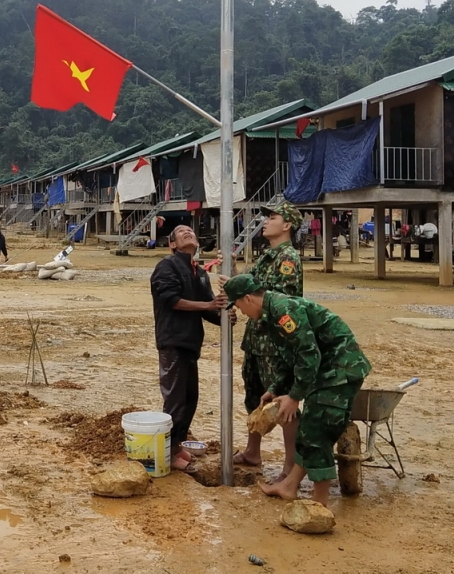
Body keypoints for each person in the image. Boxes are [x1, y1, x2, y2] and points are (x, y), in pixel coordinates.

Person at [222, 274, 371, 505]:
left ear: (248, 298)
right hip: (325, 370)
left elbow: (308, 354)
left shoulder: (283, 312)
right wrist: (275, 388)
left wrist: (294, 396)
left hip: (340, 370)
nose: (240, 312)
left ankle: (319, 504)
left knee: (317, 431)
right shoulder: (272, 313)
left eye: (239, 305)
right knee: (307, 432)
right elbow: (288, 357)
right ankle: (289, 487)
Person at [232, 201, 304, 478]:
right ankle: (253, 451)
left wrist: (242, 286)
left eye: (272, 217)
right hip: (256, 339)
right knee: (254, 395)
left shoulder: (288, 259)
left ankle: (290, 464)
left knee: (283, 403)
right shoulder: (268, 256)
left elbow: (273, 299)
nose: (266, 221)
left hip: (275, 341)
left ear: (286, 225)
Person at [150, 224, 229, 471]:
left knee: (189, 398)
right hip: (172, 340)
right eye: (181, 231)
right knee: (174, 399)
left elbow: (209, 306)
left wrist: (224, 315)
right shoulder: (167, 266)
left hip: (191, 343)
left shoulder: (200, 273)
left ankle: (175, 446)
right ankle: (166, 451)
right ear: (171, 244)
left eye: (191, 231)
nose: (188, 232)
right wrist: (208, 307)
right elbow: (171, 300)